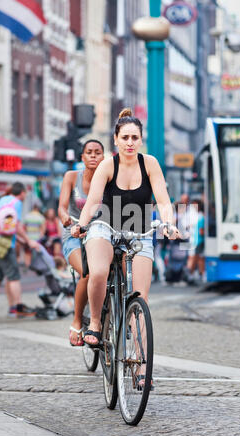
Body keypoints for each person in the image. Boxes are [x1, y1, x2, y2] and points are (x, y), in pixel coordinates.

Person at [71, 108, 179, 355]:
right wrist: (83, 224)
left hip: (139, 230)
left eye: (135, 138)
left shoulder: (150, 163)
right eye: (125, 138)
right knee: (98, 271)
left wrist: (169, 223)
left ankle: (141, 364)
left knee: (140, 298)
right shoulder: (108, 165)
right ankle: (96, 323)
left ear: (141, 139)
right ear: (116, 139)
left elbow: (162, 200)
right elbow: (93, 201)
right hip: (104, 226)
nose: (130, 143)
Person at [58, 139, 105, 346]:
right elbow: (62, 207)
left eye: (97, 152)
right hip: (75, 234)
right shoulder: (71, 177)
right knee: (87, 272)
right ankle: (77, 320)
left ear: (104, 157)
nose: (93, 156)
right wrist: (64, 218)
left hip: (100, 233)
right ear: (82, 157)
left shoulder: (109, 178)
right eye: (89, 152)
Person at [0, 182, 40, 317]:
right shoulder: (16, 202)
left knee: (3, 277)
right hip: (5, 245)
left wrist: (21, 241)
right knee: (13, 276)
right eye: (25, 193)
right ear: (21, 192)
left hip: (1, 242)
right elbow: (16, 226)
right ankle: (17, 307)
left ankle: (12, 307)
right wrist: (28, 240)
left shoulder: (3, 199)